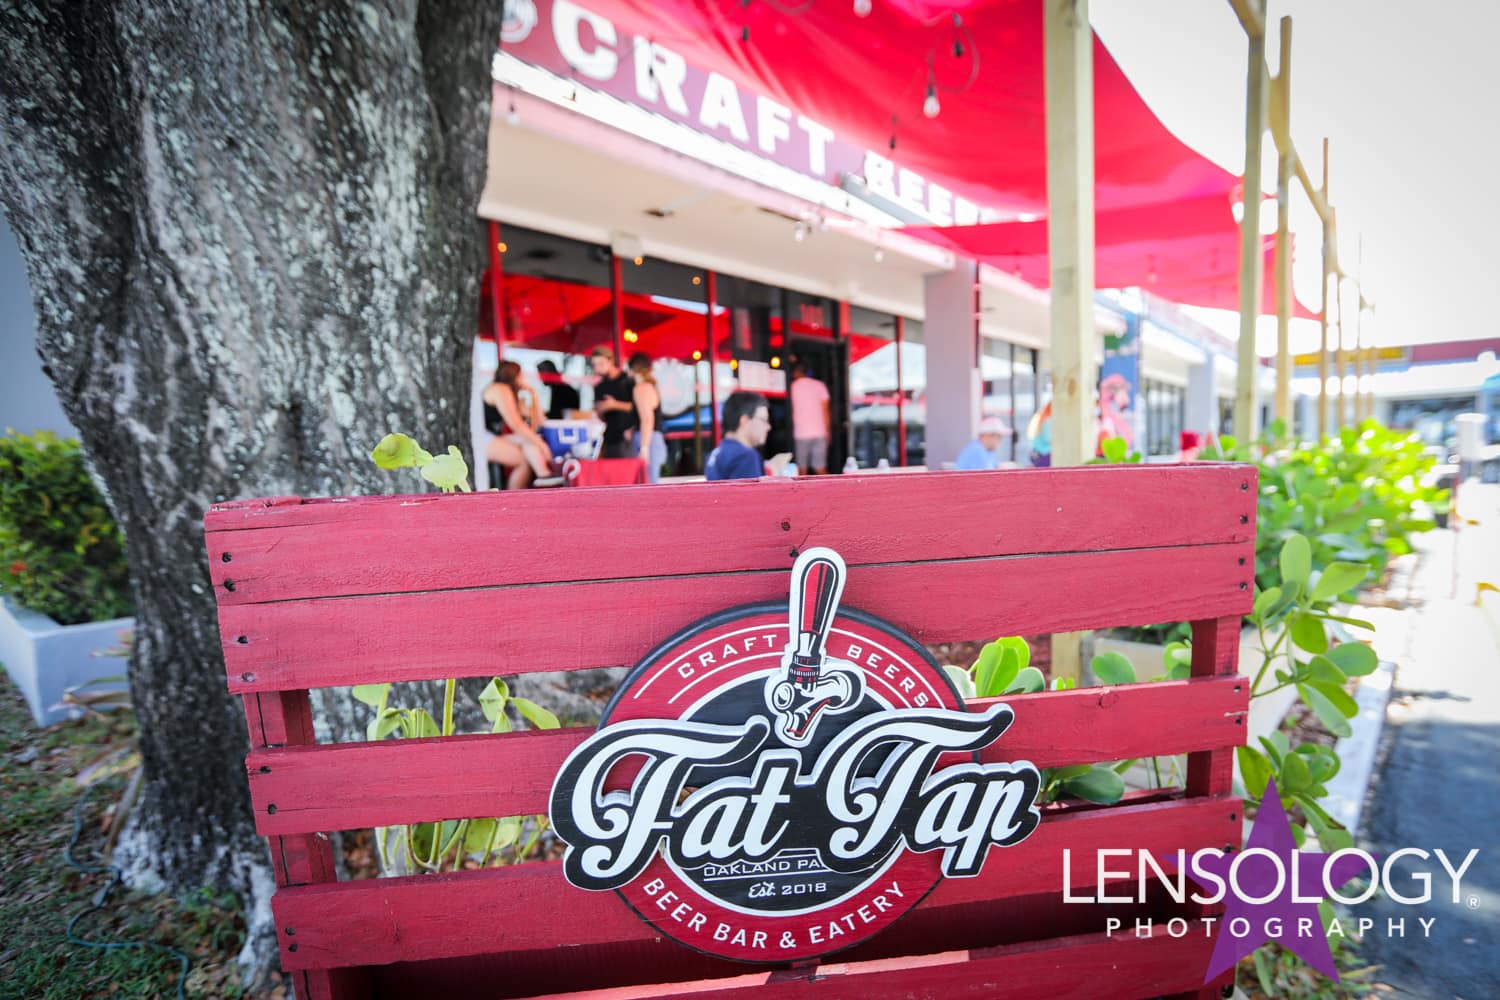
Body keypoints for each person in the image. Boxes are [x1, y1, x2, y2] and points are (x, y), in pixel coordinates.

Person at [483, 360, 553, 490]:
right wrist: (542, 445)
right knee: (523, 461)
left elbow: (539, 421)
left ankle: (544, 475)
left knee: (527, 442)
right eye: (522, 375)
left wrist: (533, 394)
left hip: (492, 437)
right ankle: (514, 497)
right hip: (482, 438)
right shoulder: (500, 389)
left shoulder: (511, 393)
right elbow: (516, 425)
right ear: (516, 376)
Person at [705, 391, 770, 481]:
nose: (768, 427)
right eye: (764, 420)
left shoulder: (714, 453)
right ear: (744, 421)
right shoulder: (746, 456)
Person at [590, 345, 637, 459]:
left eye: (601, 363)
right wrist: (600, 410)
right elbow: (600, 414)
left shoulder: (628, 381)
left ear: (610, 361)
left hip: (627, 436)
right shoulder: (600, 386)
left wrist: (614, 405)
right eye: (595, 365)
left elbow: (639, 407)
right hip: (609, 437)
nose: (597, 368)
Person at [628, 352, 667, 483]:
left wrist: (644, 448)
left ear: (633, 369)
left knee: (648, 485)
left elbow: (647, 419)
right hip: (652, 439)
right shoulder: (650, 387)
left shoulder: (642, 388)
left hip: (647, 439)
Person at [788, 359, 831, 474]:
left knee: (802, 471)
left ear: (796, 372)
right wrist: (827, 431)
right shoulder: (820, 385)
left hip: (801, 433)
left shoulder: (792, 387)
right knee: (820, 469)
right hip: (819, 432)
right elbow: (826, 411)